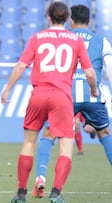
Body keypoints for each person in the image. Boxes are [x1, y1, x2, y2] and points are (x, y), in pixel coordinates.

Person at [0, 2, 98, 203]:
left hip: (39, 94)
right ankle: (56, 193)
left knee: (29, 142)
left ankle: (20, 194)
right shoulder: (75, 40)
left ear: (48, 17)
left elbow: (20, 66)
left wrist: (7, 88)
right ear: (68, 19)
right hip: (62, 97)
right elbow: (89, 73)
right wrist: (94, 90)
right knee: (65, 145)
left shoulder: (37, 38)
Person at [32, 4, 112, 199]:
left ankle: (41, 177)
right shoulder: (102, 41)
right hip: (92, 97)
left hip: (65, 96)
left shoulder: (63, 40)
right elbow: (109, 71)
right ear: (90, 21)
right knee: (105, 133)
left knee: (49, 134)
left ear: (71, 21)